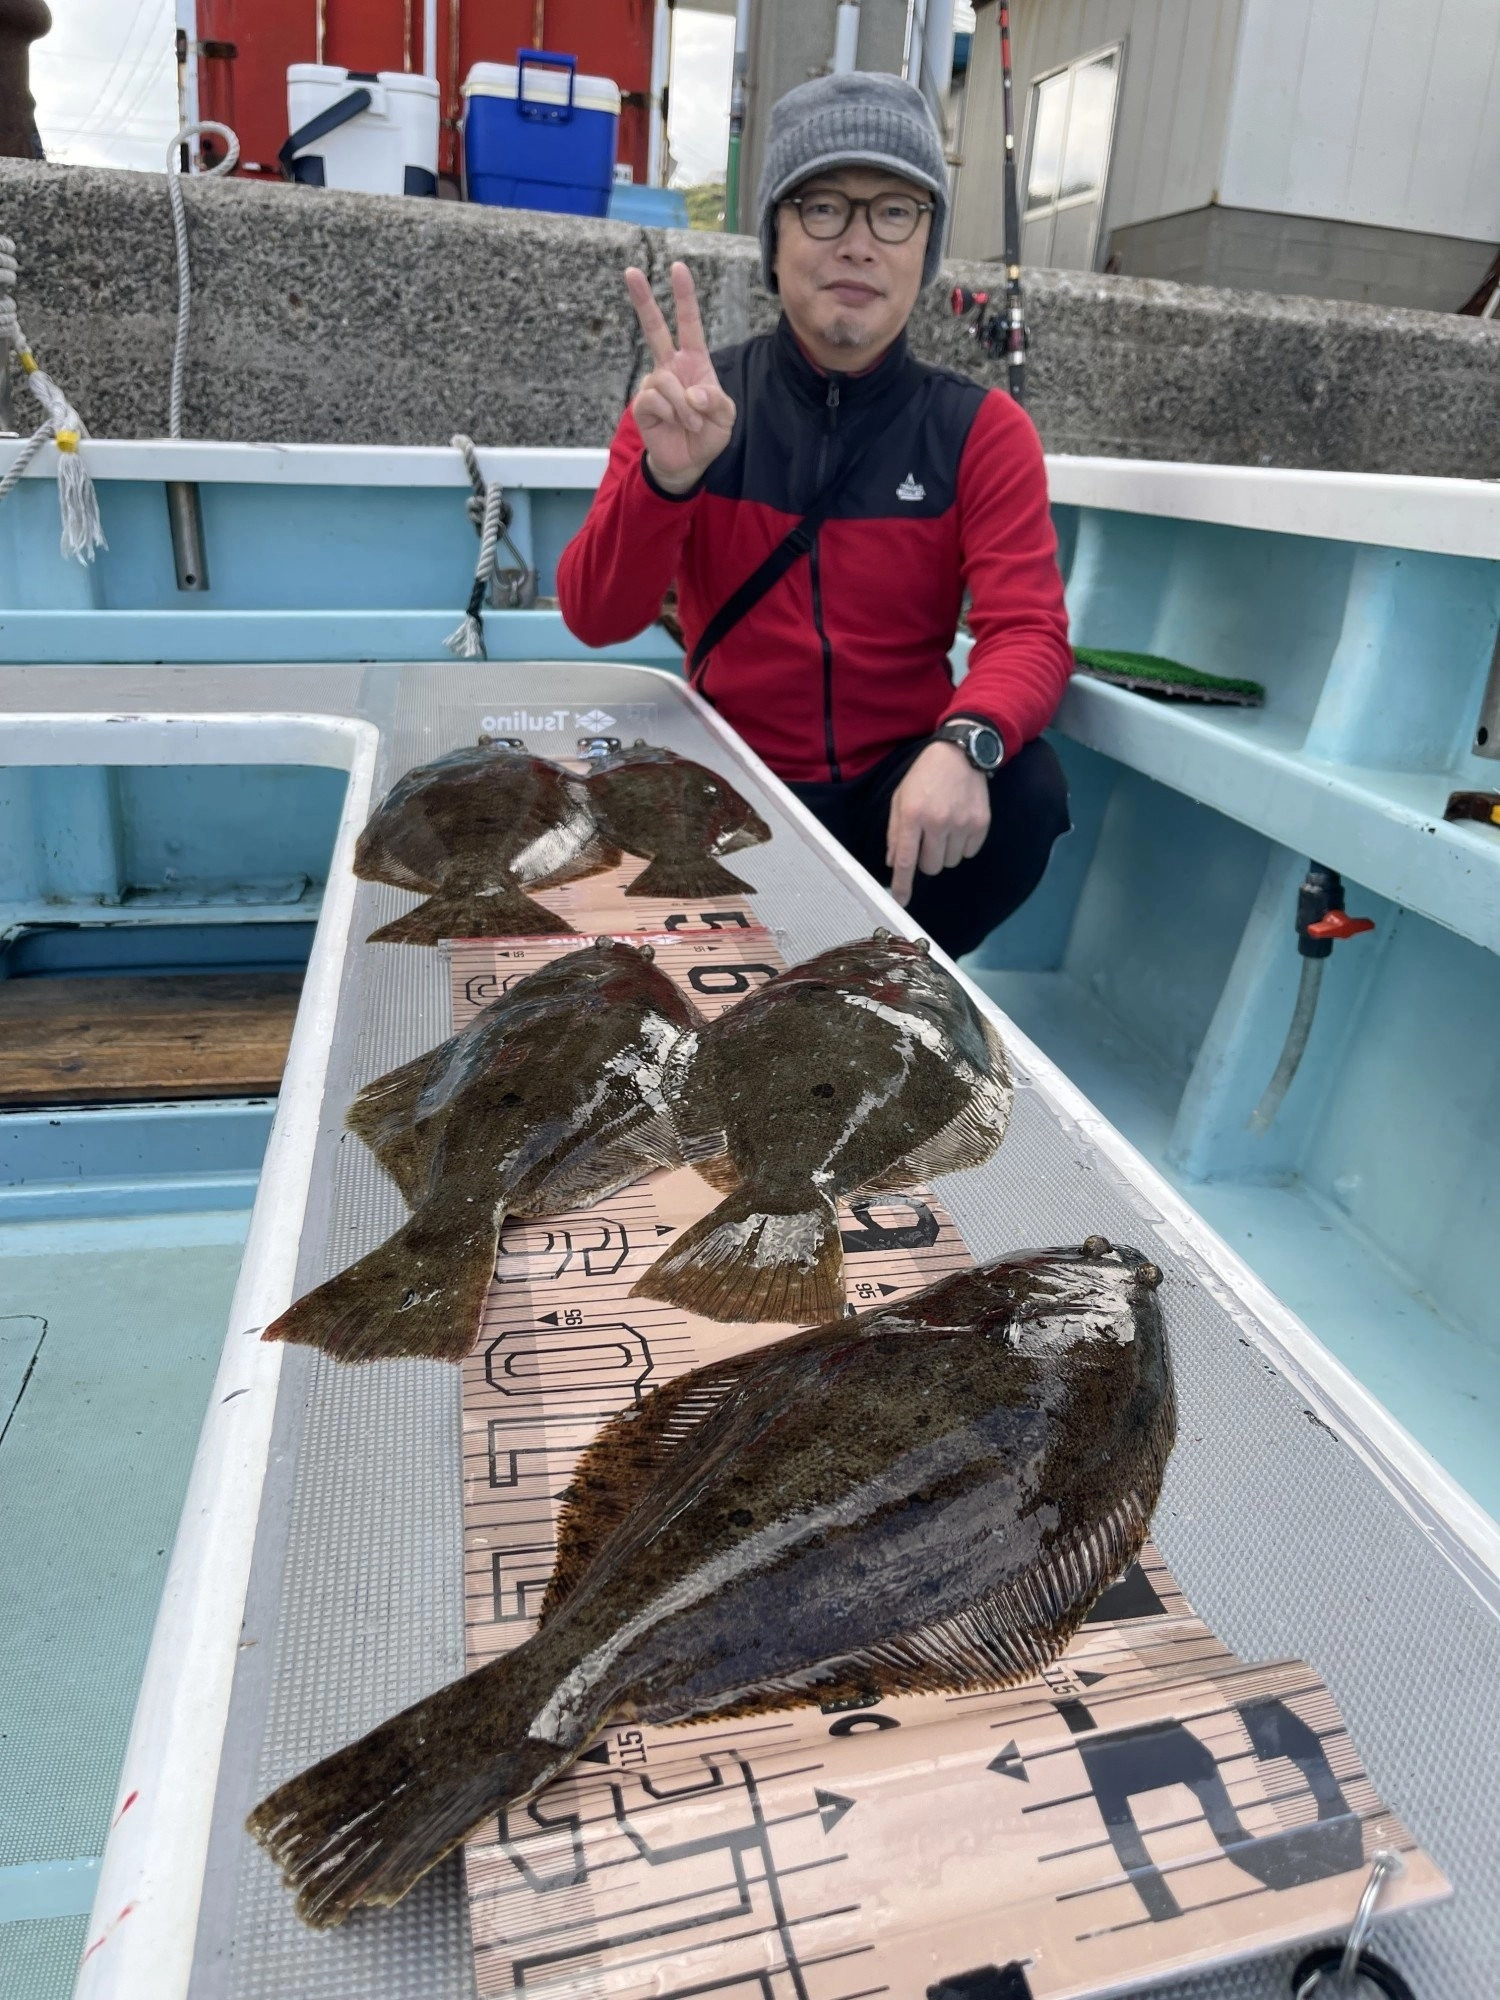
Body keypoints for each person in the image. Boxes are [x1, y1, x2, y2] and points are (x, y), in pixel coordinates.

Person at [557, 71, 1072, 959]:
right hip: (725, 783)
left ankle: (882, 976)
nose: (859, 243)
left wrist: (966, 743)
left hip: (897, 789)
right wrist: (667, 482)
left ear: (926, 245)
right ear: (777, 237)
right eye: (823, 206)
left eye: (895, 211)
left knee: (1027, 786)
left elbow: (1028, 631)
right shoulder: (694, 401)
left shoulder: (981, 430)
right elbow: (596, 616)